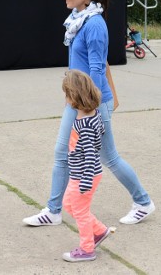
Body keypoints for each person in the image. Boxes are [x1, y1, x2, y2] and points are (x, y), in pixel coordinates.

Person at [23, 0, 155, 226]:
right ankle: (53, 211)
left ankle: (143, 202)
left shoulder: (93, 24)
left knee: (110, 158)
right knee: (62, 152)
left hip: (92, 103)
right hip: (78, 101)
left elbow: (96, 68)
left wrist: (88, 108)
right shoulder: (78, 19)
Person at [60, 69, 116, 262]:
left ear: (75, 96)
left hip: (84, 176)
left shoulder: (84, 124)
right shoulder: (91, 114)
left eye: (67, 95)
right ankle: (99, 231)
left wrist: (85, 181)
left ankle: (86, 249)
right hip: (80, 174)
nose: (66, 99)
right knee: (69, 205)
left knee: (81, 212)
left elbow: (92, 155)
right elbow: (100, 131)